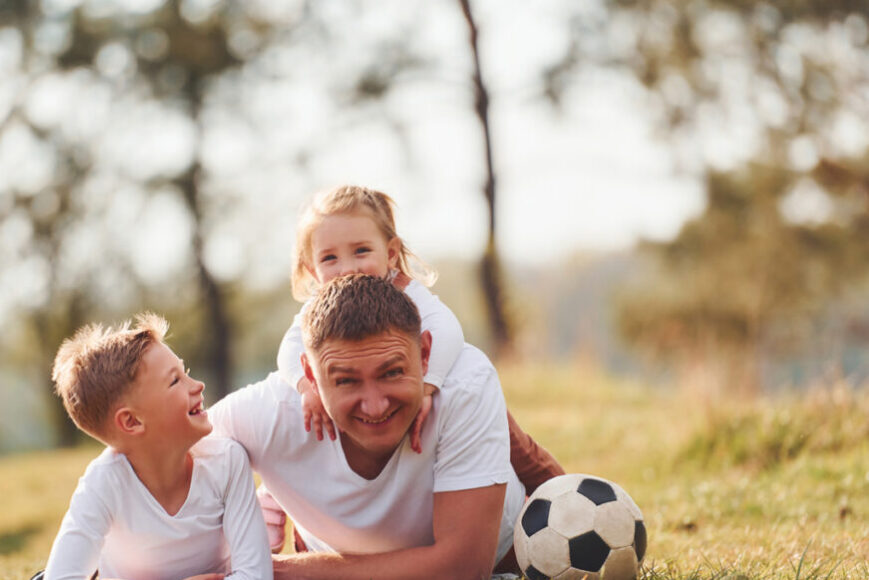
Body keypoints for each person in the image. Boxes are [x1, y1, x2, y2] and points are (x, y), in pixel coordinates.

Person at [210, 274, 560, 578]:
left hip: (502, 563)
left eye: (392, 373)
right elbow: (162, 446)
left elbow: (462, 570)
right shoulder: (266, 413)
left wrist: (271, 571)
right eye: (346, 381)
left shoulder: (465, 383)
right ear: (309, 375)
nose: (375, 405)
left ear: (425, 354)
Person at [277, 185, 562, 481]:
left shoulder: (407, 291)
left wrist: (427, 387)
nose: (347, 268)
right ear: (312, 270)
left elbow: (447, 331)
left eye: (361, 251)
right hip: (374, 399)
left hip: (439, 386)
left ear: (390, 253)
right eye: (329, 259)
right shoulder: (319, 309)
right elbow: (289, 348)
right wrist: (306, 387)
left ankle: (564, 492)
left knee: (514, 446)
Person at [42, 313, 272, 580]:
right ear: (131, 421)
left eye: (185, 373)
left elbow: (256, 575)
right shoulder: (104, 483)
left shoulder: (227, 461)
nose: (197, 385)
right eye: (175, 381)